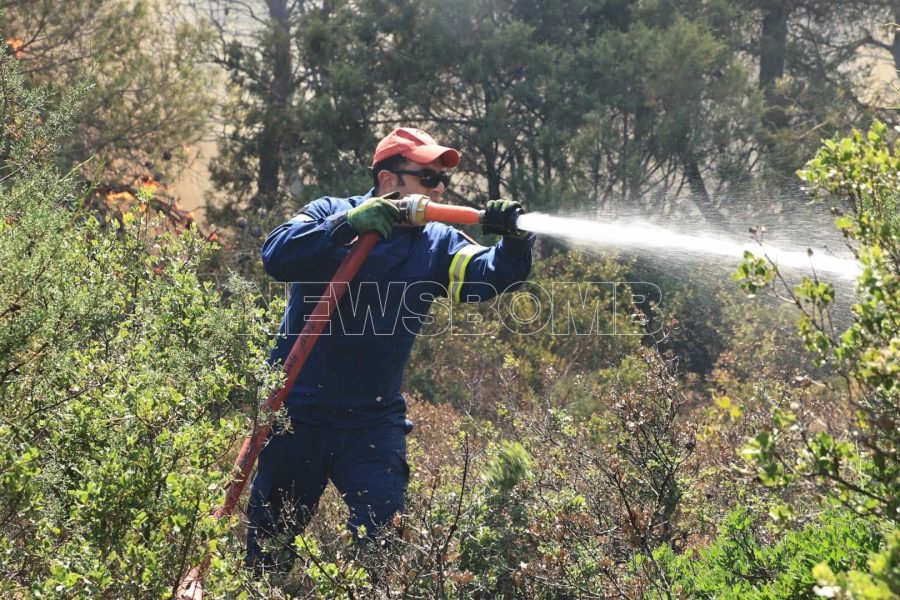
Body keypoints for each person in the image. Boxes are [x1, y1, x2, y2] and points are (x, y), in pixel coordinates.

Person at [247, 127, 535, 572]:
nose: (439, 190)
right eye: (428, 178)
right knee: (269, 552)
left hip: (372, 421)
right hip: (296, 413)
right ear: (388, 181)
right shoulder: (330, 212)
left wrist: (513, 243)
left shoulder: (436, 242)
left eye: (443, 181)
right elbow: (276, 255)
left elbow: (486, 275)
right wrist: (345, 227)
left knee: (383, 547)